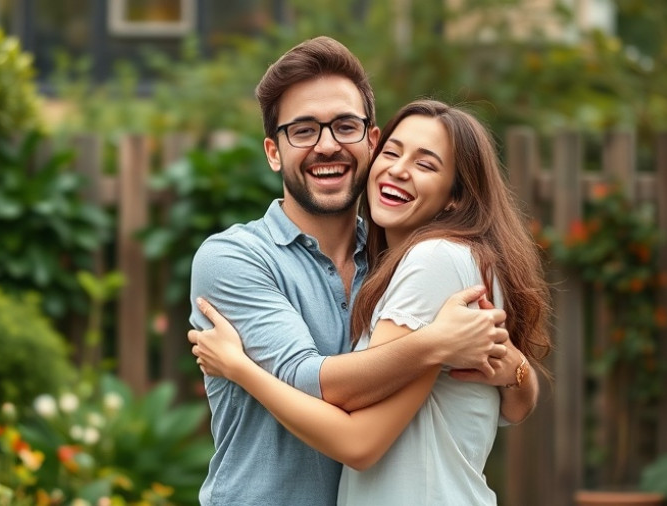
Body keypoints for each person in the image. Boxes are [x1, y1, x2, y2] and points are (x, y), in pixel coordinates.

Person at [187, 36, 540, 505]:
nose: (327, 145)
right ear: (274, 152)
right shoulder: (235, 258)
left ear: (370, 141)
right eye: (304, 130)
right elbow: (305, 377)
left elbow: (510, 404)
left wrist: (516, 369)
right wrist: (434, 343)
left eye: (345, 126)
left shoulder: (402, 263)